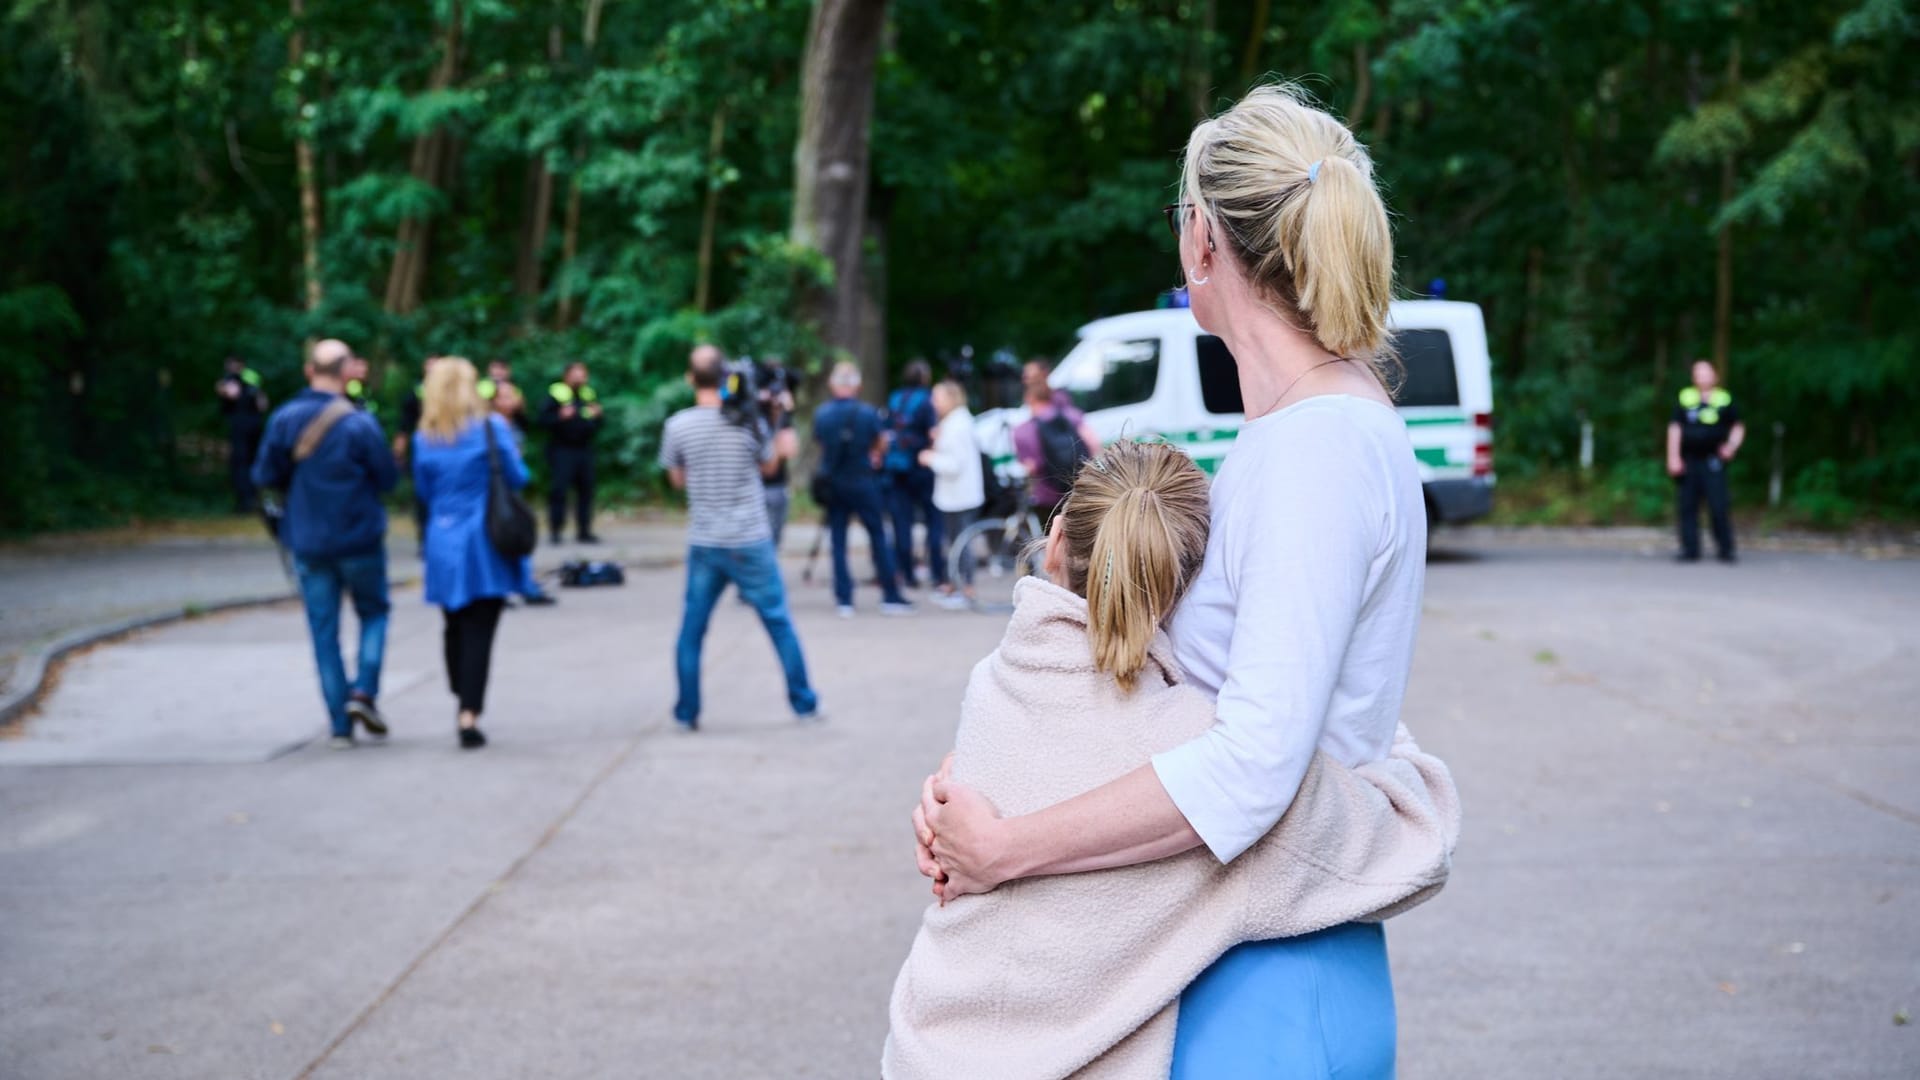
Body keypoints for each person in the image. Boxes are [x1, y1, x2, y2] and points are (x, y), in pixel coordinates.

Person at [914, 84, 1432, 1076]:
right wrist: (970, 799)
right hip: (1226, 960)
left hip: (1267, 988)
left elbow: (1254, 765)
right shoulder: (1310, 431)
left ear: (1203, 240)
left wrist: (1008, 845)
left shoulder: (1313, 449)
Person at [884, 440, 1456, 1076]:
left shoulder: (992, 688)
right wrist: (1380, 731)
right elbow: (1414, 844)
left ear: (1054, 544)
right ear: (1191, 591)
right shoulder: (1199, 761)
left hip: (924, 1052)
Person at [659, 346, 818, 731]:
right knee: (778, 622)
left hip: (706, 541)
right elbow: (768, 467)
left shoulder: (677, 425)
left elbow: (676, 479)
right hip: (750, 539)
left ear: (690, 378)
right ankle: (804, 704)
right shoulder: (748, 423)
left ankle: (687, 712)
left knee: (692, 629)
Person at [251, 338, 397, 750]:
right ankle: (363, 692)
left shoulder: (284, 419)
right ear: (347, 371)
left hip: (309, 541)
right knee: (374, 613)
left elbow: (264, 476)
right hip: (360, 539)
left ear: (308, 371)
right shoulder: (360, 423)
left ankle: (339, 725)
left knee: (323, 631)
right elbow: (387, 479)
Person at [413, 358, 529, 749]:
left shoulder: (424, 436)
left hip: (443, 539)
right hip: (485, 541)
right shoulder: (492, 428)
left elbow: (424, 492)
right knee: (482, 628)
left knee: (454, 621)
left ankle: (460, 687)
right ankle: (469, 712)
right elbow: (519, 477)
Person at [813, 362, 914, 618]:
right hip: (862, 481)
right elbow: (881, 443)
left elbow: (822, 445)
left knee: (838, 540)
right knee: (878, 536)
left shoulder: (822, 414)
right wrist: (873, 454)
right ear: (856, 385)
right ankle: (890, 595)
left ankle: (844, 599)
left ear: (833, 384)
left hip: (834, 483)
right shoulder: (868, 413)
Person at [1667, 358, 1744, 563]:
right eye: (1698, 373)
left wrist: (1731, 446)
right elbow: (1675, 428)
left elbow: (1737, 426)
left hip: (1713, 460)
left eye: (1706, 372)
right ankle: (1690, 549)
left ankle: (1725, 548)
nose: (1702, 376)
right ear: (1693, 377)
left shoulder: (1724, 399)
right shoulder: (1686, 398)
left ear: (1715, 376)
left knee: (1719, 505)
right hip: (1689, 459)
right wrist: (1673, 457)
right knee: (1687, 506)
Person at [919, 379, 983, 611]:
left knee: (961, 542)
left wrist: (930, 458)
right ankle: (956, 585)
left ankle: (965, 587)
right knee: (956, 541)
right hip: (957, 494)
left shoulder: (957, 425)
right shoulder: (956, 422)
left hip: (960, 495)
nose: (933, 403)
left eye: (937, 398)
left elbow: (955, 464)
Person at [1011, 360, 1101, 518]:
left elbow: (1031, 467)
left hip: (1047, 497)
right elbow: (1093, 443)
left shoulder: (1023, 431)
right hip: (1078, 489)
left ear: (1029, 398)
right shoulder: (1070, 414)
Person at [884, 360, 943, 589]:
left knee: (902, 522)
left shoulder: (895, 398)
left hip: (898, 467)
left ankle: (906, 573)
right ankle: (937, 573)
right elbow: (932, 433)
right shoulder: (928, 401)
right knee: (933, 520)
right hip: (922, 466)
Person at [538, 360, 603, 544]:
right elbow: (542, 420)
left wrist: (598, 416)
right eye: (576, 373)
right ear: (566, 375)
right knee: (559, 490)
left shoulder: (588, 395)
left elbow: (597, 423)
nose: (580, 377)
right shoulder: (555, 394)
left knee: (586, 490)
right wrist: (559, 416)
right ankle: (556, 531)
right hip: (562, 449)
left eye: (582, 373)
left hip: (584, 449)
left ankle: (584, 531)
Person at [215, 356, 269, 512]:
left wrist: (223, 389)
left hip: (240, 427)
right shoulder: (252, 378)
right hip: (254, 425)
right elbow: (262, 404)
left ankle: (245, 501)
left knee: (240, 463)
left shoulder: (231, 380)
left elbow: (232, 394)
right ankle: (254, 498)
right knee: (252, 461)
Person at [480, 358, 528, 430]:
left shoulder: (514, 388)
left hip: (510, 425)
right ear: (489, 370)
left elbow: (521, 410)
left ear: (508, 371)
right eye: (495, 367)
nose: (498, 371)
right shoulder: (482, 386)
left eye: (502, 368)